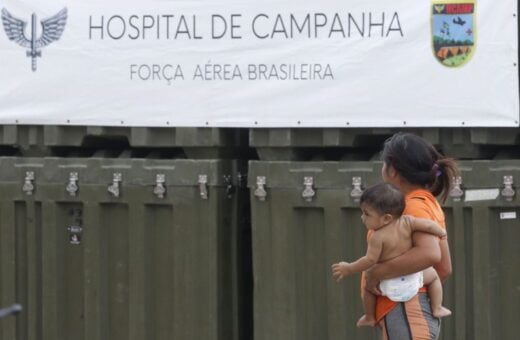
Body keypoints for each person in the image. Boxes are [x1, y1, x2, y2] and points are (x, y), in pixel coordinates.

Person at [364, 132, 458, 340]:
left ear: (393, 170)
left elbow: (430, 254)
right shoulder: (425, 203)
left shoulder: (412, 206)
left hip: (406, 309)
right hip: (405, 310)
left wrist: (375, 274)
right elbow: (444, 268)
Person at [331, 183, 451, 328]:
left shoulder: (378, 237)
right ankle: (437, 307)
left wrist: (349, 268)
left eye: (367, 214)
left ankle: (369, 316)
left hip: (389, 285)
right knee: (433, 276)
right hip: (413, 280)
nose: (363, 218)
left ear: (387, 218)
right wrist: (441, 232)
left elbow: (370, 260)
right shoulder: (408, 221)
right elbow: (428, 225)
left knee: (368, 288)